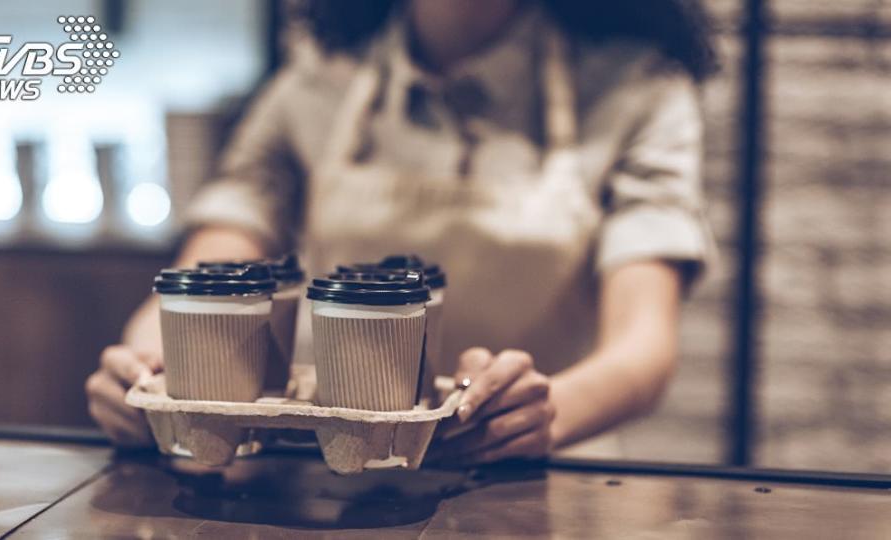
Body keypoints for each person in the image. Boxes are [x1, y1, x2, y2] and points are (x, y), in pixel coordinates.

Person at [86, 0, 716, 464]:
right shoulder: (314, 83)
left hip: (533, 474)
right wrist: (144, 367)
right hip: (338, 469)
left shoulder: (636, 90)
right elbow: (217, 263)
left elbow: (643, 348)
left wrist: (543, 409)